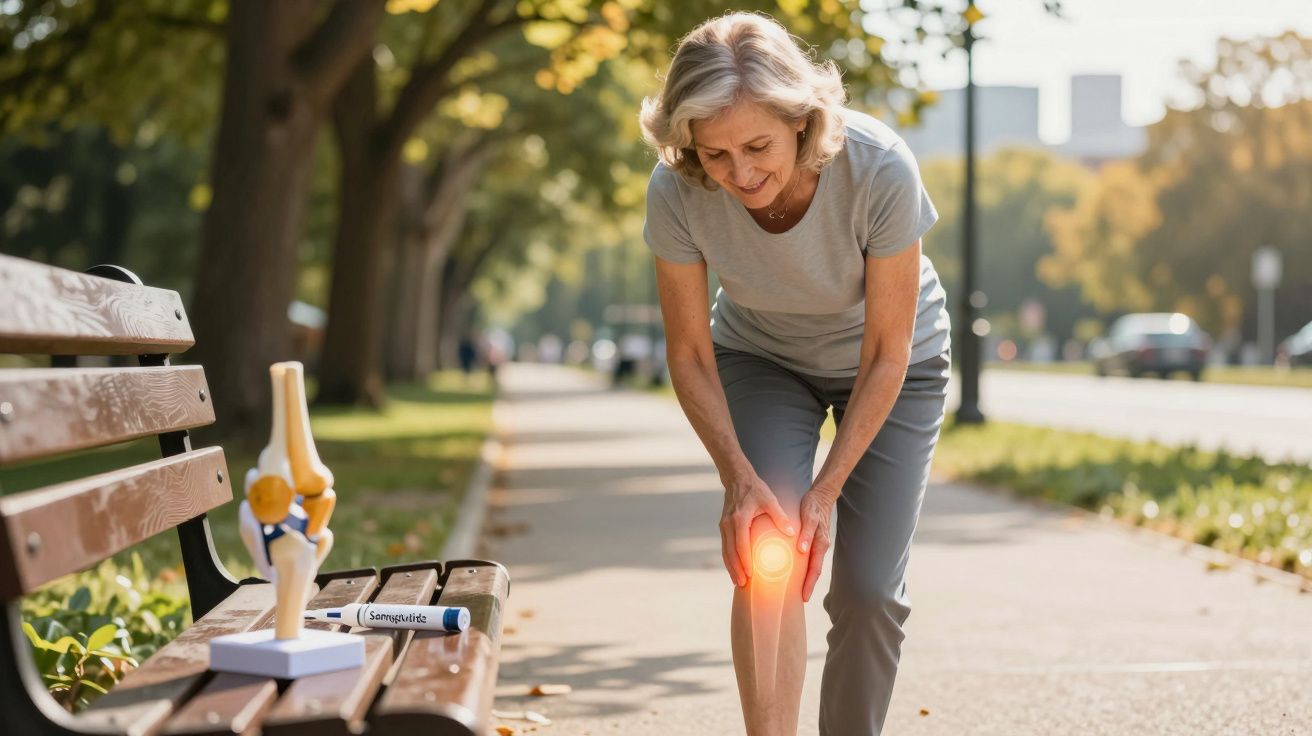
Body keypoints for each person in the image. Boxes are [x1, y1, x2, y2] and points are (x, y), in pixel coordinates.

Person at [638, 13, 951, 736]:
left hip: (892, 368)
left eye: (757, 147)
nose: (740, 174)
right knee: (765, 556)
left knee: (869, 592)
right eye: (715, 154)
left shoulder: (878, 168)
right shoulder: (676, 189)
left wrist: (826, 492)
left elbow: (887, 353)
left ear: (801, 122)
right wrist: (738, 481)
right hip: (764, 357)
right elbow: (687, 353)